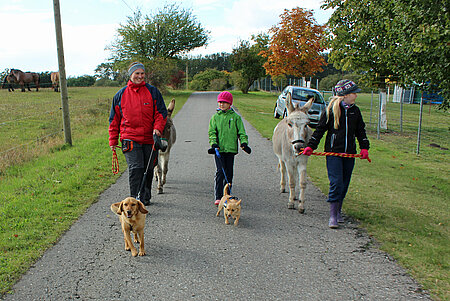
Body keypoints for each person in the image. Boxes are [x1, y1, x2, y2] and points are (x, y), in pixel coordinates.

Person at [302, 79, 370, 228]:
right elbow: (320, 130)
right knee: (336, 182)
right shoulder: (330, 110)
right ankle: (332, 215)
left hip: (349, 153)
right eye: (353, 93)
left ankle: (338, 211)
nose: (356, 96)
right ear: (344, 95)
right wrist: (311, 146)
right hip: (333, 153)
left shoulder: (355, 111)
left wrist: (364, 147)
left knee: (344, 183)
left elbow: (360, 131)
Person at [109, 62, 167, 206]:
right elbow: (114, 120)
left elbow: (161, 113)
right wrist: (113, 140)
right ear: (131, 75)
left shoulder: (153, 92)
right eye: (137, 74)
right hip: (129, 138)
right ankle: (133, 200)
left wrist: (157, 129)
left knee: (148, 168)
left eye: (142, 73)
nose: (140, 76)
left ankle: (145, 197)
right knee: (136, 168)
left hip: (150, 138)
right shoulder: (120, 95)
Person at [208, 91, 251, 206]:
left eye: (224, 103)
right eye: (220, 102)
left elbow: (241, 132)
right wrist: (214, 144)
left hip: (231, 150)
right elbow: (212, 132)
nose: (222, 104)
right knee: (220, 172)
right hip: (219, 150)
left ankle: (227, 194)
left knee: (229, 173)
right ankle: (218, 196)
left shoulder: (236, 117)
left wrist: (244, 143)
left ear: (230, 104)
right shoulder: (215, 117)